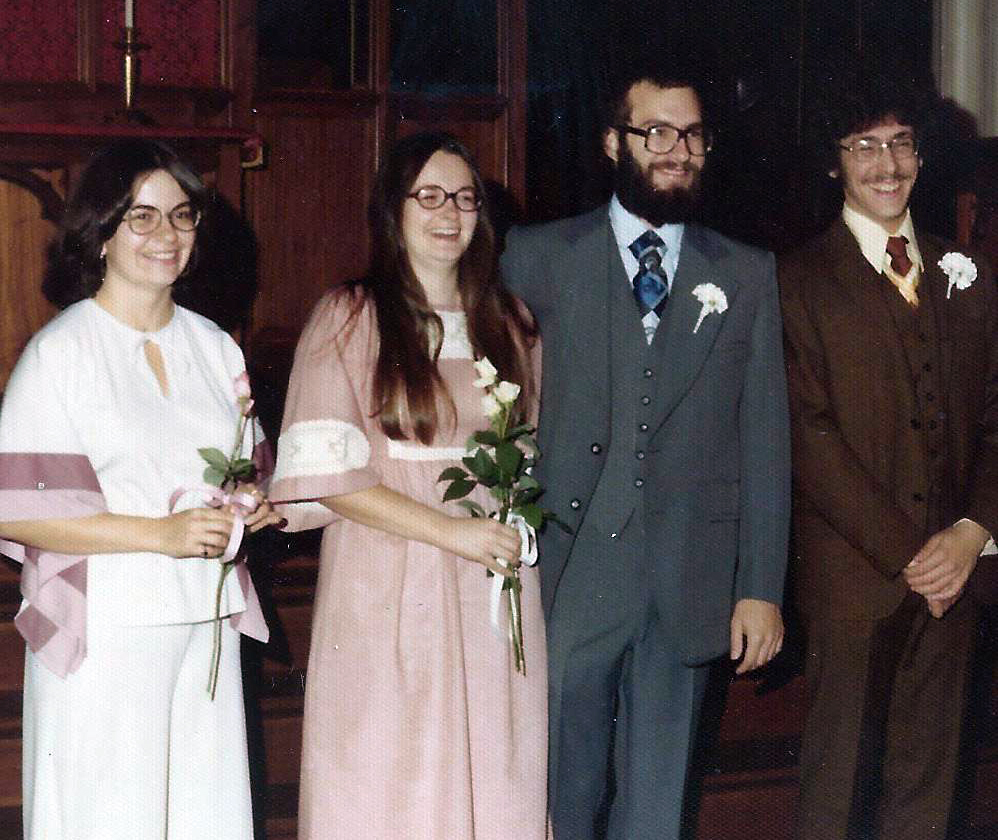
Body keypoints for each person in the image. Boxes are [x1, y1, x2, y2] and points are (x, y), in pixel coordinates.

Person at [501, 58, 791, 840]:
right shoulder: (535, 257)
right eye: (656, 131)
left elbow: (766, 441)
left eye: (691, 135)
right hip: (570, 568)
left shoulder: (746, 273)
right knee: (560, 793)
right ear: (612, 142)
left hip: (690, 576)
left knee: (658, 808)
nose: (676, 150)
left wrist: (760, 587)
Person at [268, 132, 547, 839]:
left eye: (464, 198)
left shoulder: (510, 324)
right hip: (390, 578)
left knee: (495, 767)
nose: (449, 213)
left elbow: (531, 454)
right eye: (429, 195)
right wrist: (450, 532)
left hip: (490, 585)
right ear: (393, 209)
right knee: (393, 771)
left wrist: (498, 532)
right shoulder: (351, 317)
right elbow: (328, 478)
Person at [0, 139, 280, 840]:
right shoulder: (61, 353)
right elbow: (18, 512)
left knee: (203, 814)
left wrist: (252, 505)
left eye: (182, 216)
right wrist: (160, 535)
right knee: (110, 818)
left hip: (204, 615)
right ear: (100, 232)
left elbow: (246, 469)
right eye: (142, 217)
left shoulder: (215, 346)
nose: (167, 235)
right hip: (109, 623)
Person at [779, 64, 998, 840]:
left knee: (929, 792)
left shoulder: (971, 276)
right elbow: (809, 435)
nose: (887, 163)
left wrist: (971, 532)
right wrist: (914, 556)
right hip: (854, 584)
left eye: (902, 142)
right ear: (835, 161)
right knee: (837, 792)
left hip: (959, 578)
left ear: (922, 154)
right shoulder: (796, 281)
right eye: (864, 145)